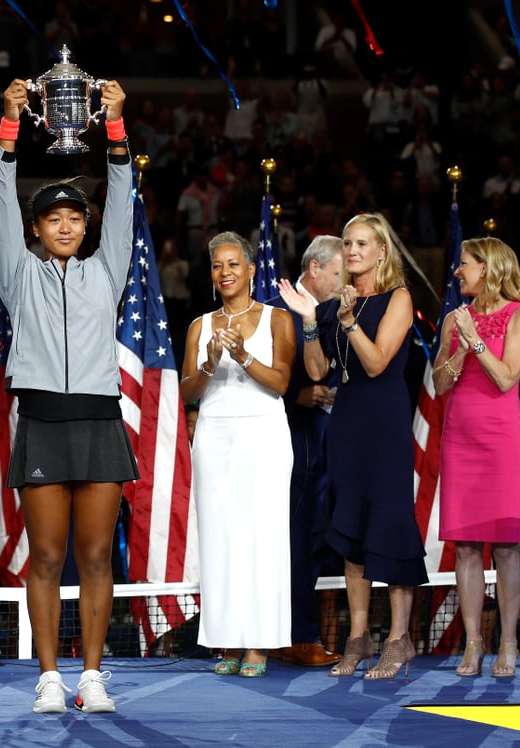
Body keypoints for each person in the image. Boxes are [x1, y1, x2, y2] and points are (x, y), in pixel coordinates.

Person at [0, 78, 136, 714]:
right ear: (37, 228)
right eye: (55, 218)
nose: (68, 226)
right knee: (47, 556)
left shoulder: (107, 270)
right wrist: (8, 125)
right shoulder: (18, 273)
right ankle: (50, 677)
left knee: (98, 555)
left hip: (100, 422)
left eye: (76, 218)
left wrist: (116, 126)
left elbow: (125, 201)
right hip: (45, 421)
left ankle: (94, 677)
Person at [278, 212, 428, 679]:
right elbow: (319, 369)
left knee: (389, 524)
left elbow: (379, 362)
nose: (353, 251)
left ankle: (399, 638)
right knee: (350, 532)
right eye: (348, 243)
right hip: (346, 424)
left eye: (363, 243)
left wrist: (347, 322)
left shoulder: (397, 298)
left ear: (382, 252)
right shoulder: (334, 305)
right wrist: (309, 321)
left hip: (383, 420)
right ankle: (359, 638)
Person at [179, 231, 294, 678]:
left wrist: (243, 355)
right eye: (217, 266)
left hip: (263, 436)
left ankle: (259, 644)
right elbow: (188, 391)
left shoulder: (276, 320)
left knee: (261, 539)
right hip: (214, 437)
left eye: (233, 264)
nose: (225, 273)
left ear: (250, 269)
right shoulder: (199, 326)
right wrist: (209, 362)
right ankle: (226, 642)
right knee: (221, 539)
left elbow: (282, 381)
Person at [434, 237, 520, 678]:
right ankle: (473, 645)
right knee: (467, 549)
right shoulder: (455, 319)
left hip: (501, 442)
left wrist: (475, 341)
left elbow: (506, 378)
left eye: (465, 264)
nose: (458, 272)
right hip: (460, 440)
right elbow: (439, 383)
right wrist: (459, 344)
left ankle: (507, 644)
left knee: (508, 548)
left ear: (489, 268)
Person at [267, 235, 344, 667]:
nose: (342, 280)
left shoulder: (335, 311)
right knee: (292, 539)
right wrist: (298, 394)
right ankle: (292, 635)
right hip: (288, 441)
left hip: (324, 442)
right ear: (313, 270)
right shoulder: (275, 310)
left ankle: (296, 633)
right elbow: (251, 372)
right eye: (337, 273)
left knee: (313, 540)